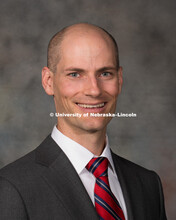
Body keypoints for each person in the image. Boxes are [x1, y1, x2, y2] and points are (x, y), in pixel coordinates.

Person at [0, 23, 167, 220]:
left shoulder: (147, 184)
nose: (94, 90)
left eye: (105, 73)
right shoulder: (11, 187)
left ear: (119, 79)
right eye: (75, 74)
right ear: (48, 81)